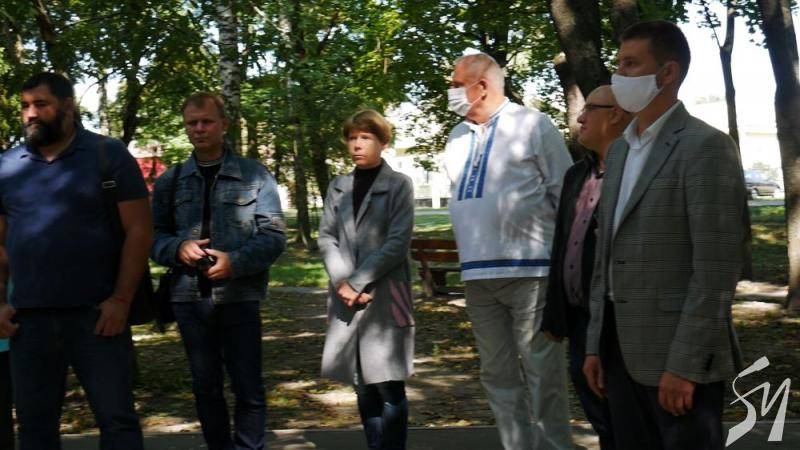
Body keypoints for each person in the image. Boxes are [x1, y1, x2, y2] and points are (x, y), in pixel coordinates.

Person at [582, 21, 746, 450]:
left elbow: (716, 270)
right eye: (618, 64)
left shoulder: (705, 147)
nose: (619, 75)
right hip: (618, 352)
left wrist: (686, 365)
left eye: (630, 64)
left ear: (668, 73)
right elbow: (606, 257)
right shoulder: (620, 149)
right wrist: (596, 345)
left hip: (677, 359)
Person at [0, 72, 148, 449]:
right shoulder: (7, 166)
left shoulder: (107, 154)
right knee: (34, 428)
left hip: (97, 318)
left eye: (41, 104)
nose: (31, 114)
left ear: (68, 107)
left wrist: (121, 300)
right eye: (24, 106)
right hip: (28, 322)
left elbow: (139, 230)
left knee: (117, 422)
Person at [442, 53, 573, 450]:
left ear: (481, 86)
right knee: (496, 374)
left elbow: (566, 196)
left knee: (542, 372)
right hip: (477, 276)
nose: (450, 91)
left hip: (531, 272)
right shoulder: (456, 136)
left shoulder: (533, 124)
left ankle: (554, 447)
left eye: (456, 84)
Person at [151, 92, 286, 450]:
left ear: (223, 124)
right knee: (205, 388)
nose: (199, 128)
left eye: (206, 121)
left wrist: (234, 262)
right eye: (192, 123)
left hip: (239, 296)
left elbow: (274, 236)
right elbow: (152, 236)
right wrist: (178, 248)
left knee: (248, 387)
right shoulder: (171, 181)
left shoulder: (254, 174)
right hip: (188, 299)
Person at [541, 85, 631, 449]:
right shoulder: (576, 175)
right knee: (597, 411)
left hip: (616, 320)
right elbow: (562, 244)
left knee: (623, 416)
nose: (579, 118)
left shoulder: (634, 173)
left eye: (589, 109)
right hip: (579, 320)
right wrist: (554, 313)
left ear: (615, 115)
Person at [319, 109, 415, 450]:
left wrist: (356, 282)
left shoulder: (398, 184)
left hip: (386, 296)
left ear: (383, 142)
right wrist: (343, 282)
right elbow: (326, 237)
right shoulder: (338, 187)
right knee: (361, 384)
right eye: (352, 138)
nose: (357, 145)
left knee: (389, 385)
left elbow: (397, 242)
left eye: (366, 138)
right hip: (346, 296)